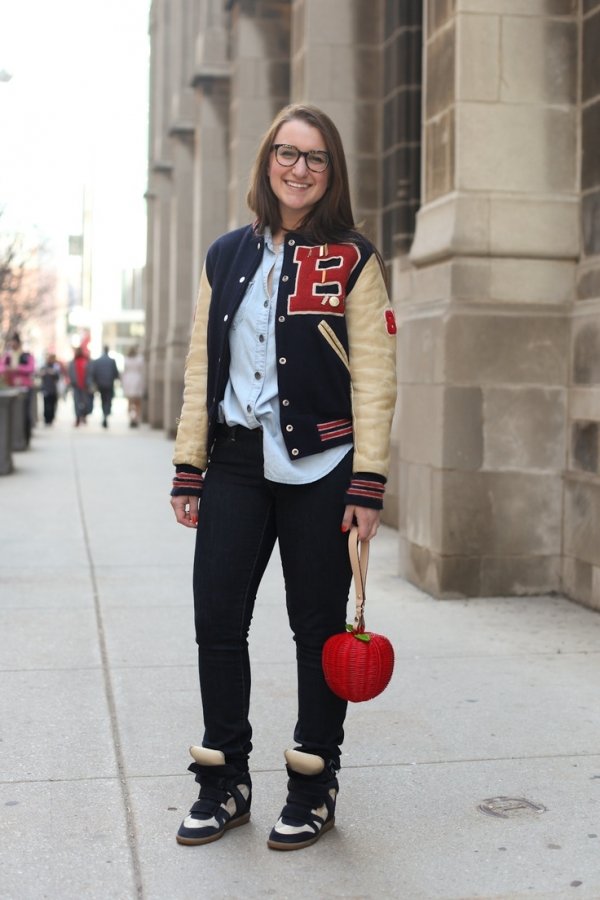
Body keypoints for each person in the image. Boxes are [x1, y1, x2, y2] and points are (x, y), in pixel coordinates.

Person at [169, 104, 397, 851]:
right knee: (217, 621)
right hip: (234, 461)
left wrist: (368, 484)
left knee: (317, 629)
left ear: (331, 174)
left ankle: (313, 779)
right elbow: (204, 365)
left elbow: (375, 373)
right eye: (286, 153)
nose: (298, 169)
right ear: (267, 160)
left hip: (322, 465)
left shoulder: (354, 259)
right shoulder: (226, 254)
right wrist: (188, 464)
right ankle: (224, 776)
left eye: (315, 158)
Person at [0, 332, 36, 445]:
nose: (13, 345)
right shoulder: (7, 356)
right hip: (10, 387)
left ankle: (25, 438)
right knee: (10, 418)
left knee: (25, 415)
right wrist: (8, 369)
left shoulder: (26, 355)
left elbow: (30, 368)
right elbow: (1, 368)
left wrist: (17, 368)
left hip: (25, 388)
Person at [91, 345, 120, 428]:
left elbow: (94, 373)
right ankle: (106, 413)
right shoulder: (112, 361)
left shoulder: (97, 361)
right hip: (109, 384)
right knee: (108, 399)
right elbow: (116, 373)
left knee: (103, 400)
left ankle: (105, 414)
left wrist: (95, 382)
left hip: (101, 384)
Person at [67, 346, 93, 426]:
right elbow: (70, 373)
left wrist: (88, 383)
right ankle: (78, 417)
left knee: (85, 401)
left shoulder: (86, 362)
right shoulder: (73, 362)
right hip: (76, 385)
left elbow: (90, 373)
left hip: (85, 385)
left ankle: (84, 416)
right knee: (77, 401)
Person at [121, 345, 145, 427]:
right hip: (137, 379)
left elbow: (124, 370)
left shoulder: (126, 359)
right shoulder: (139, 359)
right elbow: (141, 369)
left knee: (130, 401)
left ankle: (131, 418)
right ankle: (136, 418)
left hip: (128, 380)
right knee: (137, 402)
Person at [38, 352, 61, 425]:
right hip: (46, 388)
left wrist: (53, 373)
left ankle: (51, 418)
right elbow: (39, 374)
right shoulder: (44, 366)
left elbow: (58, 376)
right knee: (46, 404)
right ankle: (46, 419)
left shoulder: (55, 366)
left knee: (52, 404)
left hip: (53, 389)